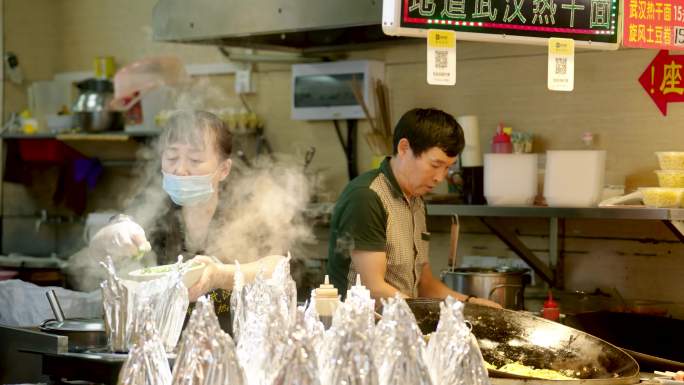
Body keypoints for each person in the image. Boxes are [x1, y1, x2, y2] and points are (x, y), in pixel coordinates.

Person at [67, 110, 283, 307]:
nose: (180, 169)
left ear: (224, 169)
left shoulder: (243, 207)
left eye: (195, 159)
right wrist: (108, 239)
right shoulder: (156, 206)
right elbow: (97, 257)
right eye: (171, 158)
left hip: (233, 335)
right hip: (162, 339)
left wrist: (219, 275)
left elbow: (279, 266)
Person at [326, 108, 500, 308]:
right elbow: (373, 289)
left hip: (401, 325)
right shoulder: (367, 196)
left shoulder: (416, 201)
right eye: (435, 165)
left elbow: (424, 284)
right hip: (360, 331)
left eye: (447, 168)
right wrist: (426, 316)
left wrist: (470, 304)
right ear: (404, 148)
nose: (440, 178)